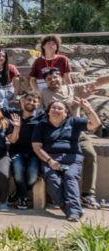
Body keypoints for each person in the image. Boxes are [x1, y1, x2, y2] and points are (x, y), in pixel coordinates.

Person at [40, 69, 109, 210]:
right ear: (45, 83)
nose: (53, 80)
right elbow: (53, 114)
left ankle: (87, 194)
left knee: (89, 154)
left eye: (55, 77)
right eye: (49, 79)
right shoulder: (45, 93)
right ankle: (56, 195)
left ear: (61, 77)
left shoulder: (73, 88)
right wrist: (77, 104)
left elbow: (96, 82)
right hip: (56, 133)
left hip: (76, 131)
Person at [32, 98, 102, 221]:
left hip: (72, 158)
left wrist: (88, 108)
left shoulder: (73, 121)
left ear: (66, 113)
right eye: (53, 108)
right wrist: (50, 161)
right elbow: (37, 147)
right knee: (53, 180)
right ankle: (72, 211)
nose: (56, 110)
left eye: (60, 108)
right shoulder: (41, 125)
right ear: (48, 111)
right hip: (51, 158)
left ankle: (73, 211)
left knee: (70, 177)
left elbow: (95, 124)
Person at [9, 91, 44, 210]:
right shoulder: (15, 116)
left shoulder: (42, 117)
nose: (31, 102)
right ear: (23, 102)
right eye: (29, 100)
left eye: (34, 101)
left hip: (35, 153)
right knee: (18, 172)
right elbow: (12, 141)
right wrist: (16, 127)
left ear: (38, 104)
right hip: (16, 151)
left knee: (32, 176)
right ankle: (22, 198)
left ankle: (19, 194)